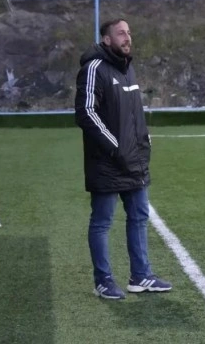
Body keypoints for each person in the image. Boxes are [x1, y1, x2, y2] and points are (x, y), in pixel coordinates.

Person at [74, 18, 172, 299]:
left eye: (128, 32)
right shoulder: (93, 68)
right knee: (102, 221)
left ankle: (141, 276)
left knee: (139, 216)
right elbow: (86, 113)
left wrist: (143, 141)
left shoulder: (128, 68)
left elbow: (133, 114)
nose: (127, 37)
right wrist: (115, 147)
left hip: (134, 160)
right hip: (107, 162)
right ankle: (103, 280)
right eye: (121, 33)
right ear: (106, 40)